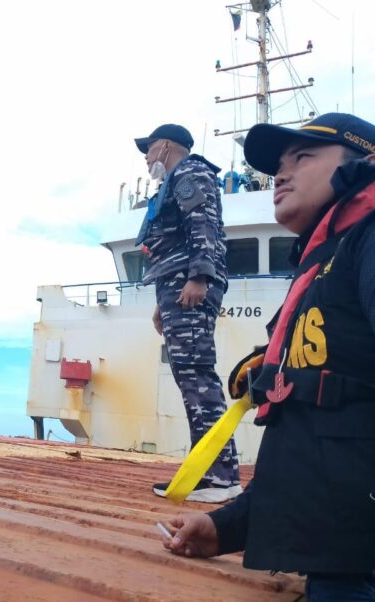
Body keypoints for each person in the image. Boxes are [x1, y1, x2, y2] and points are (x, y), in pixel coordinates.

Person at [161, 113, 375, 600]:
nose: (280, 174)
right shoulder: (320, 271)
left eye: (302, 157)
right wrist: (226, 527)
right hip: (336, 561)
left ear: (365, 164)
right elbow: (312, 448)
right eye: (279, 164)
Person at [134, 124, 240, 502]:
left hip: (189, 285)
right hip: (174, 288)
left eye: (148, 149)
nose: (146, 158)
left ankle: (222, 477)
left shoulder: (191, 174)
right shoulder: (177, 178)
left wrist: (198, 278)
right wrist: (163, 303)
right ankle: (206, 471)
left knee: (197, 376)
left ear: (165, 146)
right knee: (190, 379)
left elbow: (204, 227)